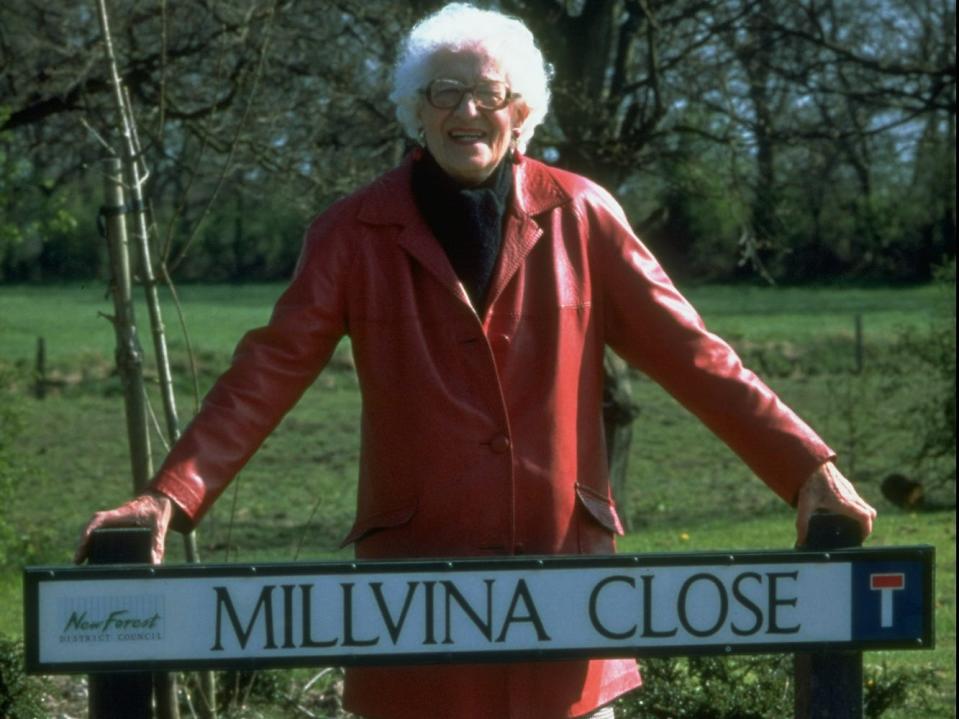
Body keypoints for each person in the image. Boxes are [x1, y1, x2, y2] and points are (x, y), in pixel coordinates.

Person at [76, 4, 877, 718]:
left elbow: (696, 355)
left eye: (487, 94)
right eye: (442, 93)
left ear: (520, 113)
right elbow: (267, 371)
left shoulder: (585, 214)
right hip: (411, 620)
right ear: (413, 114)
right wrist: (167, 497)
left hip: (568, 608)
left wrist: (805, 467)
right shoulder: (352, 233)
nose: (466, 111)